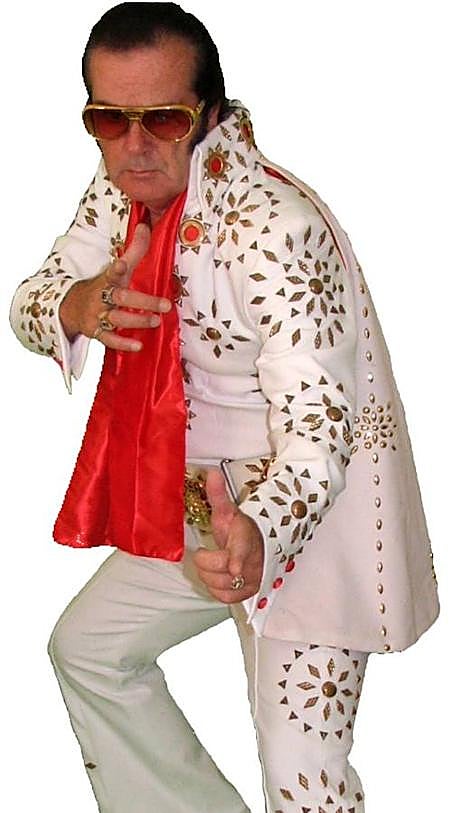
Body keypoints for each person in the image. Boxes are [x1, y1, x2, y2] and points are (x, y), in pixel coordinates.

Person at [9, 3, 439, 812]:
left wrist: (262, 531)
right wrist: (74, 304)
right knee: (91, 649)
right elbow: (34, 296)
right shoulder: (118, 194)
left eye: (162, 118)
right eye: (109, 119)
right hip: (198, 502)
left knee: (303, 777)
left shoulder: (277, 226)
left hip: (309, 520)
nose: (134, 145)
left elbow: (319, 430)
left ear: (207, 113)